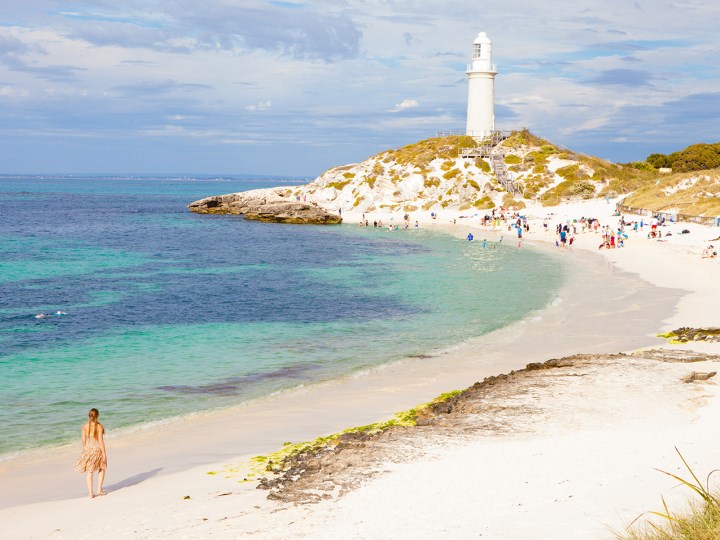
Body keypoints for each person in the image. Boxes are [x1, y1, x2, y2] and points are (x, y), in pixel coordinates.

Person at [74, 408, 108, 498]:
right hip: (97, 450)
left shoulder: (84, 426)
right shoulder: (99, 426)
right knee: (102, 467)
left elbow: (83, 441)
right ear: (97, 416)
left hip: (88, 450)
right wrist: (104, 454)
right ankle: (99, 490)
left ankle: (90, 493)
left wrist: (86, 450)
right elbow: (100, 441)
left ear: (89, 416)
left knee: (90, 471)